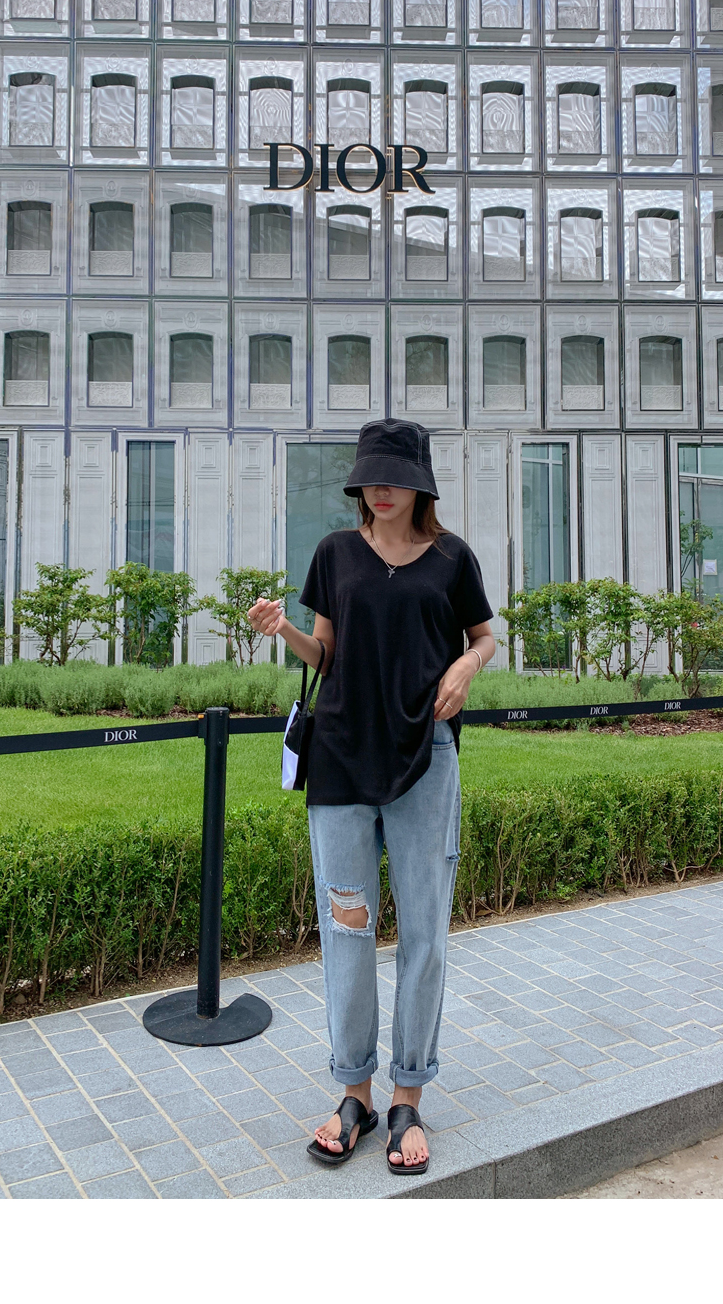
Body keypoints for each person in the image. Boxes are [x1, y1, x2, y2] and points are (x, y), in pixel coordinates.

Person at [247, 417, 495, 1177]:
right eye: (370, 478)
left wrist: (466, 668)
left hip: (426, 760)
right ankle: (353, 1093)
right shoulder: (335, 553)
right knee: (347, 929)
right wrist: (284, 631)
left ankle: (407, 1097)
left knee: (424, 933)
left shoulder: (453, 559)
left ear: (420, 484)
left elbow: (484, 635)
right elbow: (326, 653)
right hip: (343, 763)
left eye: (395, 478)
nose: (380, 490)